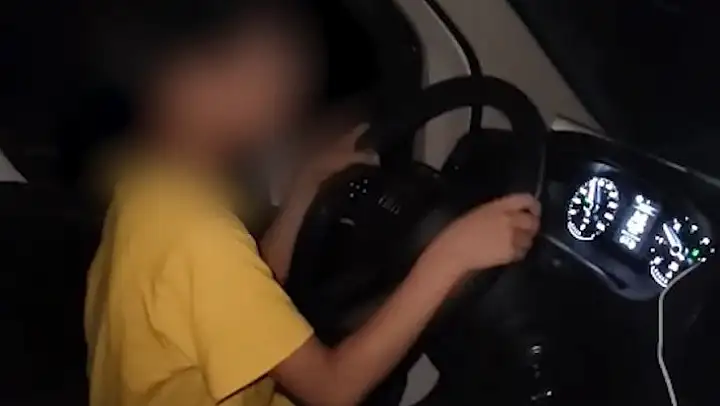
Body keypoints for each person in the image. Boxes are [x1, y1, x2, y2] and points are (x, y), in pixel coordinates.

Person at [83, 1, 542, 406]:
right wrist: (452, 256)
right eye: (271, 62)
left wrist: (306, 188)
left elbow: (248, 288)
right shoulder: (198, 236)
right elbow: (331, 389)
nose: (292, 83)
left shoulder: (151, 191)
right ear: (198, 84)